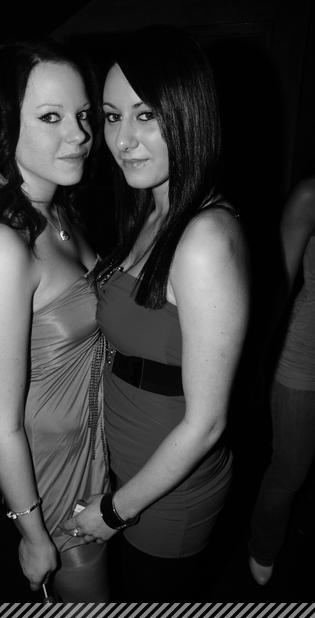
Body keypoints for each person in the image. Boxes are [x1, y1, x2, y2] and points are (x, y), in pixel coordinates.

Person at [62, 25, 250, 601]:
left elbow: (207, 422)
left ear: (188, 114)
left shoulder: (204, 239)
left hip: (168, 493)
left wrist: (113, 512)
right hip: (129, 461)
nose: (123, 140)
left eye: (145, 115)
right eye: (111, 117)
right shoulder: (152, 208)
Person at [0, 39, 110, 601]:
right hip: (55, 481)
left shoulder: (56, 208)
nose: (80, 135)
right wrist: (32, 533)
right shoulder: (1, 246)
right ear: (3, 125)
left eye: (83, 115)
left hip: (97, 448)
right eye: (51, 117)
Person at [248, 177, 315, 586]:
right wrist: (259, 362)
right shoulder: (310, 195)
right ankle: (263, 546)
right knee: (291, 467)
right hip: (305, 358)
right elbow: (279, 285)